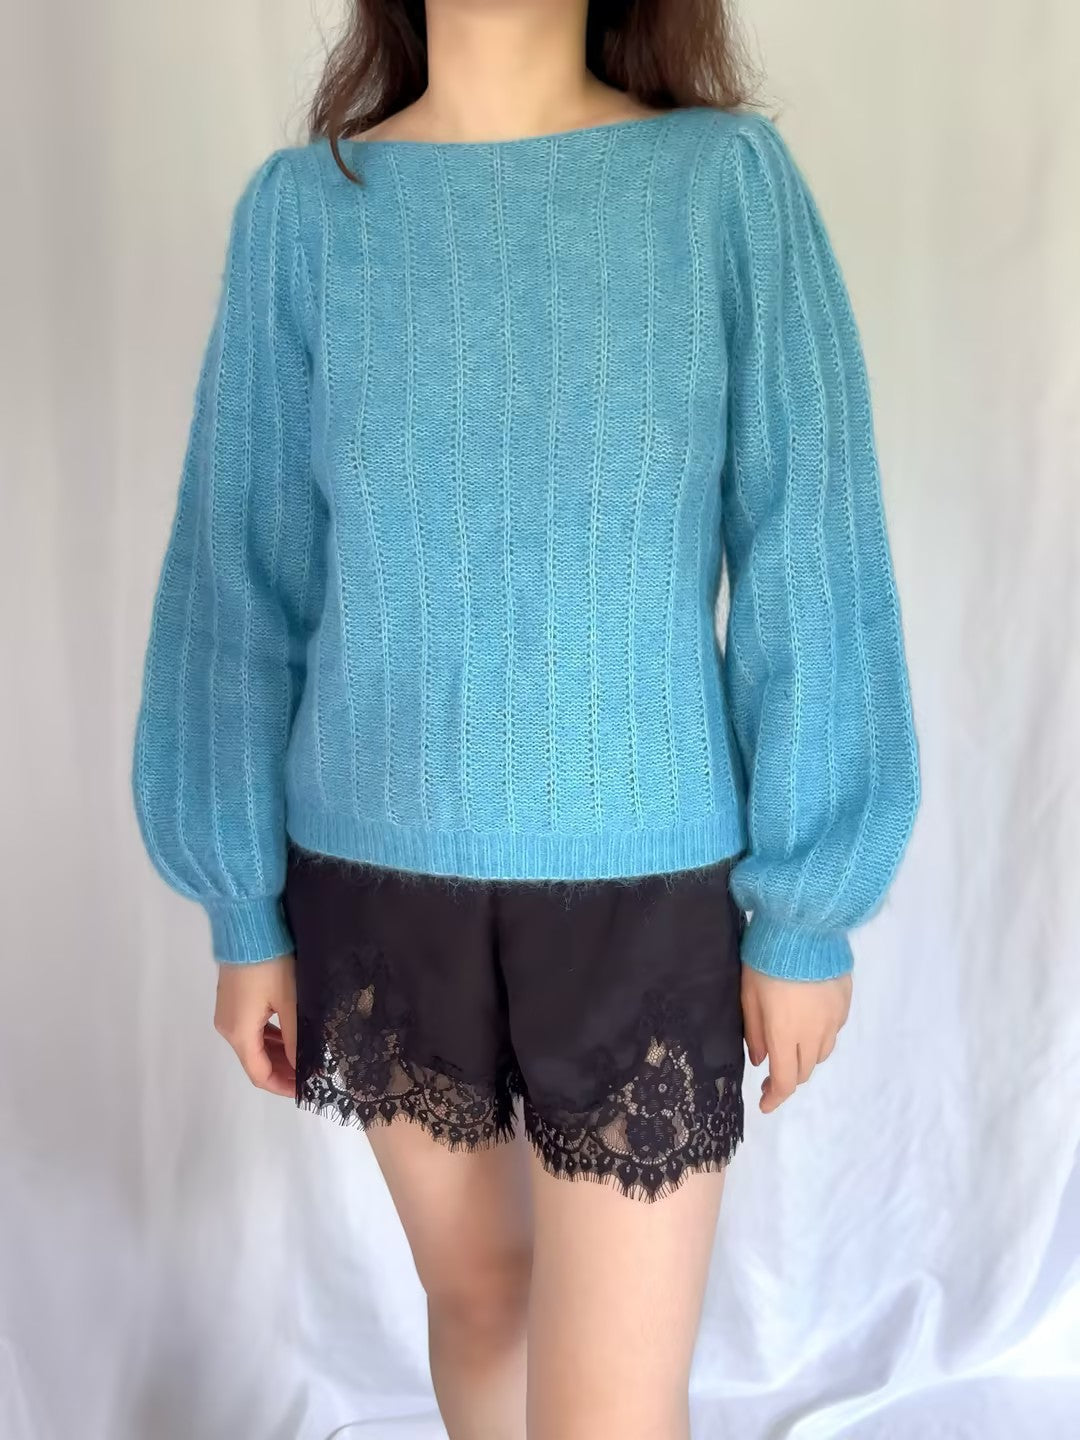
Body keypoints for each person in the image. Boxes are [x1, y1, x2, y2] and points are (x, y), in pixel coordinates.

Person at [129, 1, 921, 1436]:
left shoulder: (721, 188)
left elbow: (810, 548)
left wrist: (808, 909)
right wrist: (242, 909)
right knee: (481, 1301)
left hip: (642, 893)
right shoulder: (304, 217)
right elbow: (238, 580)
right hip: (371, 888)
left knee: (612, 1403)